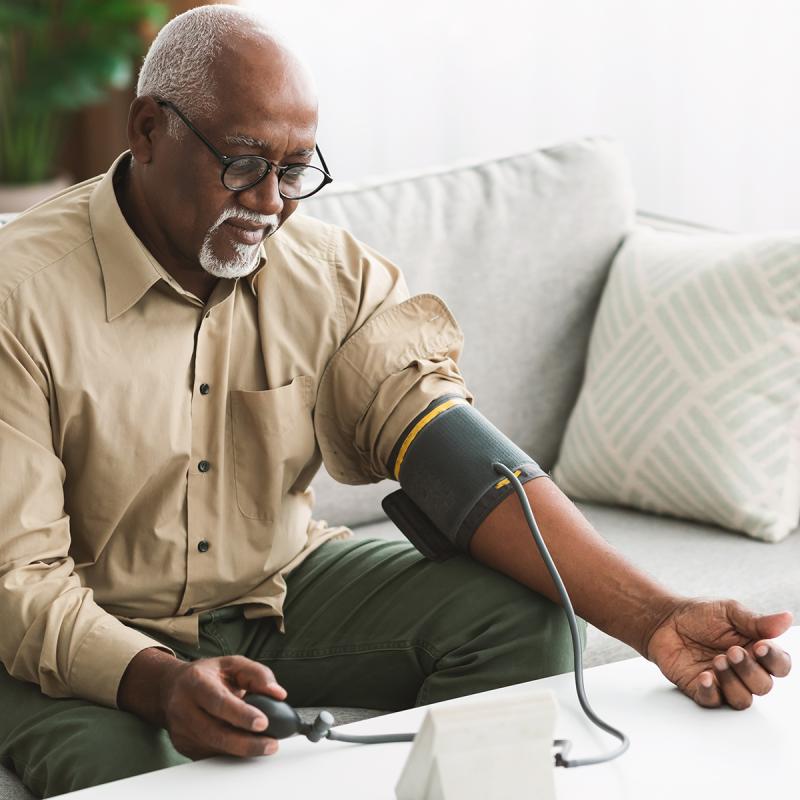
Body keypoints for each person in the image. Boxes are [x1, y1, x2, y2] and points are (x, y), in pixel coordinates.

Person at [0, 5, 792, 797]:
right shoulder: (20, 297)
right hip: (81, 634)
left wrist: (652, 618)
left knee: (520, 618)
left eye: (295, 168)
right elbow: (20, 581)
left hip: (273, 590)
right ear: (147, 129)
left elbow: (456, 459)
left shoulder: (333, 277)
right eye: (242, 163)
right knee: (143, 778)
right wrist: (158, 682)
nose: (271, 203)